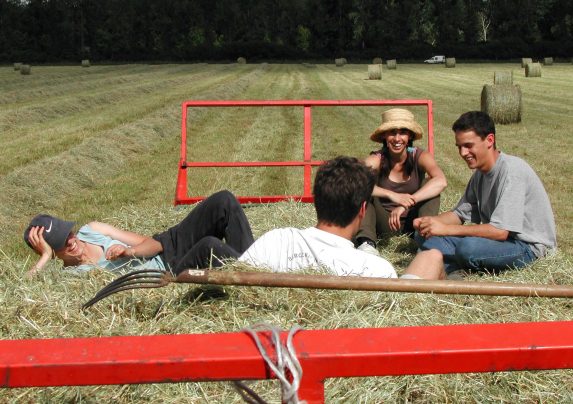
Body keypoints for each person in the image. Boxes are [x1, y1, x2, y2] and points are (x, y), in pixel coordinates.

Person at [239, 156, 444, 280]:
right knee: (432, 257)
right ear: (363, 211)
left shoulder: (275, 241)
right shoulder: (377, 269)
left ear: (316, 202)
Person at [414, 111, 557, 277]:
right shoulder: (480, 175)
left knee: (468, 248)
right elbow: (459, 214)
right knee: (423, 236)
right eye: (459, 147)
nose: (462, 153)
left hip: (528, 248)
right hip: (500, 243)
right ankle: (449, 265)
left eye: (468, 145)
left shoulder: (512, 171)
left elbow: (500, 231)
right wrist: (429, 222)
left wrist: (445, 229)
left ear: (489, 140)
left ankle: (449, 266)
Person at [24, 190, 254, 277]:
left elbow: (152, 244)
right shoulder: (70, 277)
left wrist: (128, 251)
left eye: (68, 233)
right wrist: (44, 257)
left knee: (223, 200)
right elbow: (25, 289)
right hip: (169, 274)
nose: (72, 241)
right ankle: (253, 280)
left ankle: (253, 266)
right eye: (61, 244)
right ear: (53, 252)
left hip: (167, 247)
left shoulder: (91, 230)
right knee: (209, 246)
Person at [355, 108, 447, 256]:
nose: (397, 139)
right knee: (364, 189)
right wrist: (392, 195)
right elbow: (355, 182)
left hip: (415, 221)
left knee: (429, 184)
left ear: (409, 135)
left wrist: (406, 203)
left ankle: (424, 241)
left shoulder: (419, 155)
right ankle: (367, 244)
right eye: (392, 132)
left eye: (402, 132)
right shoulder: (377, 159)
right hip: (384, 222)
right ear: (384, 135)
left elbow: (441, 181)